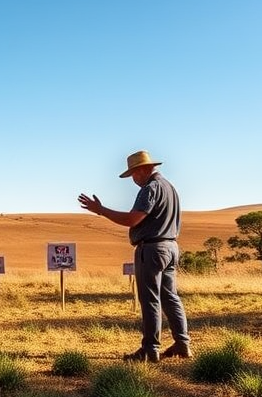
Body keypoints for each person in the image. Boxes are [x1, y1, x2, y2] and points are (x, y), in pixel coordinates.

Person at [77, 150, 191, 363]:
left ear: (144, 169)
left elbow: (133, 219)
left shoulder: (151, 188)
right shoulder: (170, 187)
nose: (134, 180)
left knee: (150, 300)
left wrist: (101, 210)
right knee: (170, 296)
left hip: (152, 250)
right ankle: (182, 343)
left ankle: (150, 349)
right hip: (171, 247)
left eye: (134, 174)